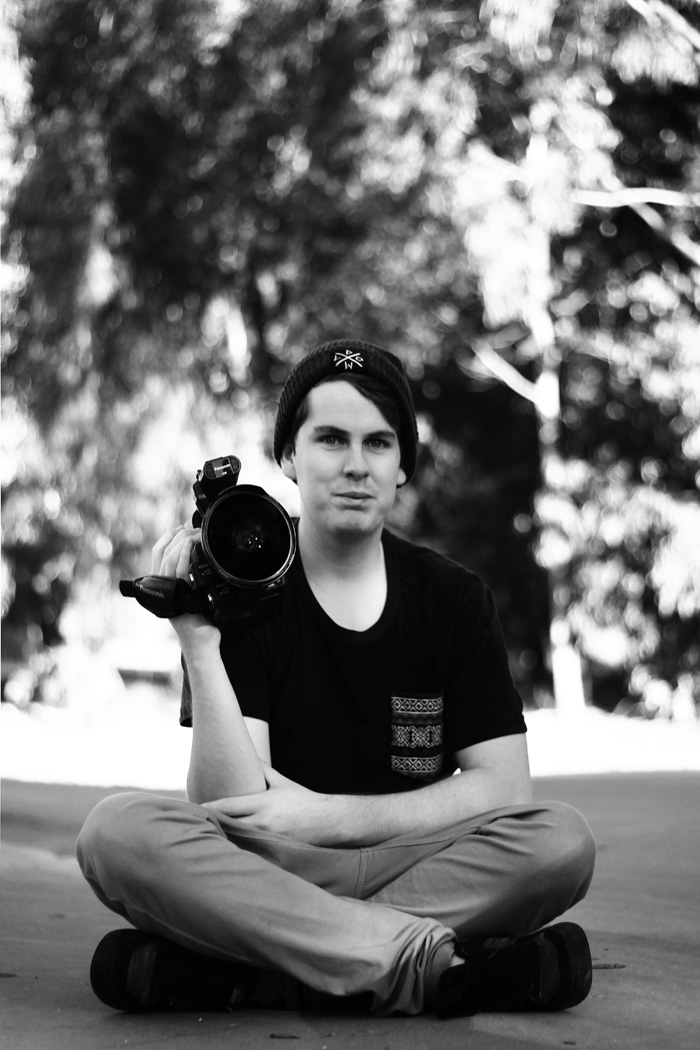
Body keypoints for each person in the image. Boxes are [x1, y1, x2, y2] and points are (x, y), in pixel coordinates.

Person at [77, 339, 596, 1017]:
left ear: (402, 465)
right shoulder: (246, 582)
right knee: (116, 832)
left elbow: (503, 786)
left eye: (378, 443)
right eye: (330, 439)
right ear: (289, 456)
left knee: (561, 841)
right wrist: (199, 643)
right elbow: (228, 804)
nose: (356, 465)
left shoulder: (453, 598)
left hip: (412, 863)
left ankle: (272, 968)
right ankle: (430, 966)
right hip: (272, 864)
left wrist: (330, 818)